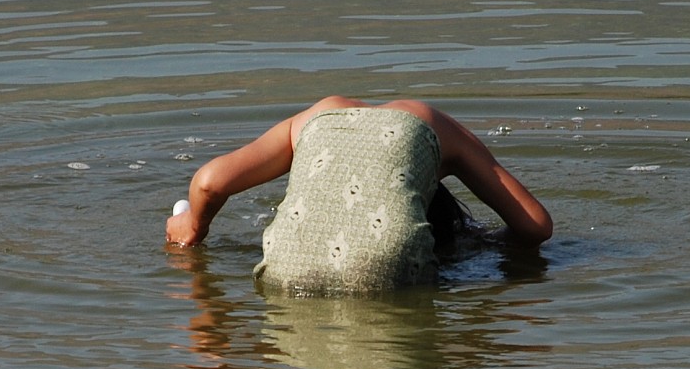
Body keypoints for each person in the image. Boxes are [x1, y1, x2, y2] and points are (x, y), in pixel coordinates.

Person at [164, 96, 551, 293]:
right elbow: (535, 225)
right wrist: (492, 243)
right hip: (393, 276)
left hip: (287, 267)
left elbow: (209, 182)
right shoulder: (430, 121)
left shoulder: (315, 116)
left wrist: (193, 225)